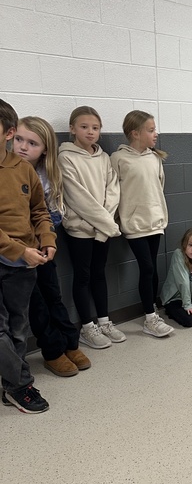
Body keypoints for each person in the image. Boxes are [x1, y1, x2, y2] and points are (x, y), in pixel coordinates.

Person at [13, 117, 91, 377]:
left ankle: (70, 344)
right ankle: (52, 351)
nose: (23, 147)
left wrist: (47, 242)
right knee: (36, 304)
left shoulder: (47, 175)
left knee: (53, 296)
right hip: (18, 253)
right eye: (19, 140)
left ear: (45, 149)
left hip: (43, 246)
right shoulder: (7, 172)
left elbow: (49, 213)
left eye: (32, 143)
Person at [0, 99, 56, 413]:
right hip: (16, 253)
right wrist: (19, 249)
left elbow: (39, 211)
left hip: (23, 265)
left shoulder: (23, 169)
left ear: (8, 132)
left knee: (18, 328)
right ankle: (21, 384)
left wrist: (47, 240)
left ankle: (11, 386)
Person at [58, 106, 123, 349]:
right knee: (82, 276)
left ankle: (104, 321)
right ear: (72, 129)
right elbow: (78, 198)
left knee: (99, 273)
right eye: (84, 127)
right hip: (80, 230)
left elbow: (113, 192)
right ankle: (87, 326)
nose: (90, 132)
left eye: (95, 128)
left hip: (102, 231)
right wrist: (107, 225)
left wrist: (104, 227)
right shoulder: (65, 157)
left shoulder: (104, 158)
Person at [112, 111, 174, 338]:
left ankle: (152, 310)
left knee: (152, 269)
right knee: (146, 268)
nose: (155, 134)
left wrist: (158, 214)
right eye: (151, 130)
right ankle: (149, 318)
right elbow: (113, 192)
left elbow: (159, 187)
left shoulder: (154, 158)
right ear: (135, 133)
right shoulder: (118, 159)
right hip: (134, 224)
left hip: (155, 222)